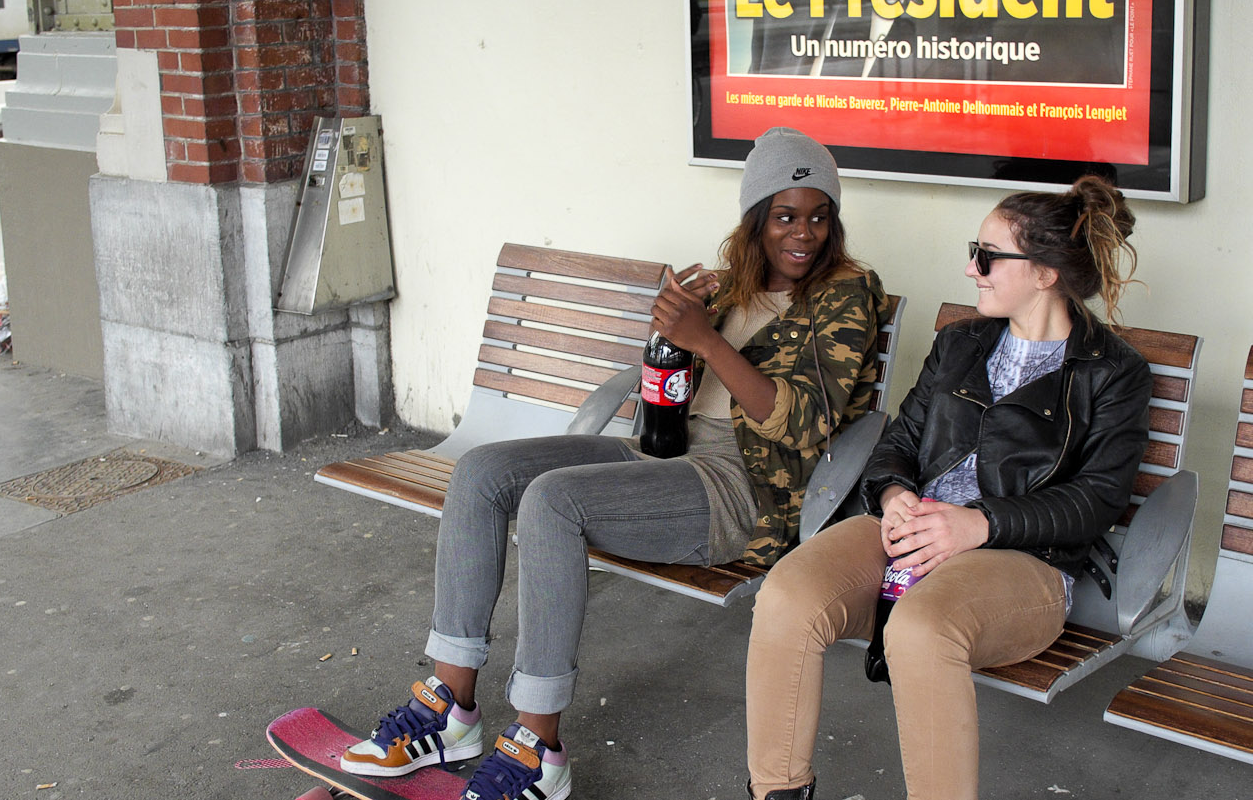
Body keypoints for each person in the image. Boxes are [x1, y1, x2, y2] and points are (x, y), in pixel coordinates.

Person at [337, 127, 890, 800]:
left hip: (740, 486)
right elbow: (676, 378)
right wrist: (676, 330)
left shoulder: (848, 292)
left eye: (818, 214)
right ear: (755, 218)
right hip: (661, 449)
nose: (802, 233)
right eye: (783, 215)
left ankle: (538, 746)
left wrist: (706, 340)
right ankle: (451, 705)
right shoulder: (731, 283)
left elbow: (804, 424)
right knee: (481, 470)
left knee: (552, 501)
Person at [743, 174, 1151, 800]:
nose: (971, 269)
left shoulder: (1112, 373)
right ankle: (777, 791)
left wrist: (980, 523)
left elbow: (1096, 500)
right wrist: (892, 493)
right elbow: (898, 443)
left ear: (1043, 273)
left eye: (987, 257)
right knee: (788, 593)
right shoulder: (960, 342)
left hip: (1024, 561)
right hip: (912, 532)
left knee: (920, 629)